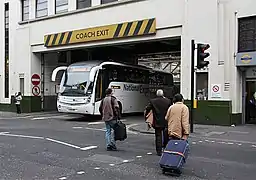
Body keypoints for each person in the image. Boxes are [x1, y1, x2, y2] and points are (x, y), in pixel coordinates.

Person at [145, 89, 172, 156]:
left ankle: (159, 151)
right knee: (166, 135)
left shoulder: (153, 101)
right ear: (163, 94)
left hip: (157, 121)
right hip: (166, 121)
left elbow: (148, 108)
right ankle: (166, 148)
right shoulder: (168, 101)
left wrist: (147, 116)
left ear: (157, 94)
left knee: (158, 136)